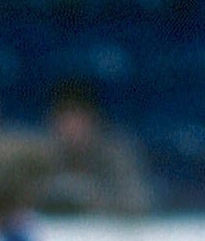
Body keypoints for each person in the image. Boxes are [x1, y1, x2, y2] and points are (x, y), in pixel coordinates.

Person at [34, 81, 152, 217]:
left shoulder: (116, 155)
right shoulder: (39, 157)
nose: (71, 128)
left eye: (78, 119)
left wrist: (89, 196)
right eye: (65, 119)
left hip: (104, 234)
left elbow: (137, 204)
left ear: (93, 120)